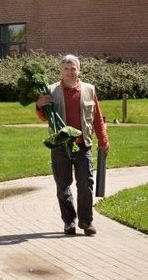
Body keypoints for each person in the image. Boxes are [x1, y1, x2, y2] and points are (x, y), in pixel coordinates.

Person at [35, 54, 108, 236]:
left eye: (73, 68)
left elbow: (97, 117)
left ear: (79, 70)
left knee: (85, 183)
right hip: (60, 146)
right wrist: (39, 105)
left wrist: (103, 140)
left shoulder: (89, 90)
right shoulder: (51, 90)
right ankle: (69, 222)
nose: (69, 72)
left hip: (83, 145)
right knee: (63, 185)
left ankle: (86, 221)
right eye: (66, 68)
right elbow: (44, 116)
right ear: (61, 71)